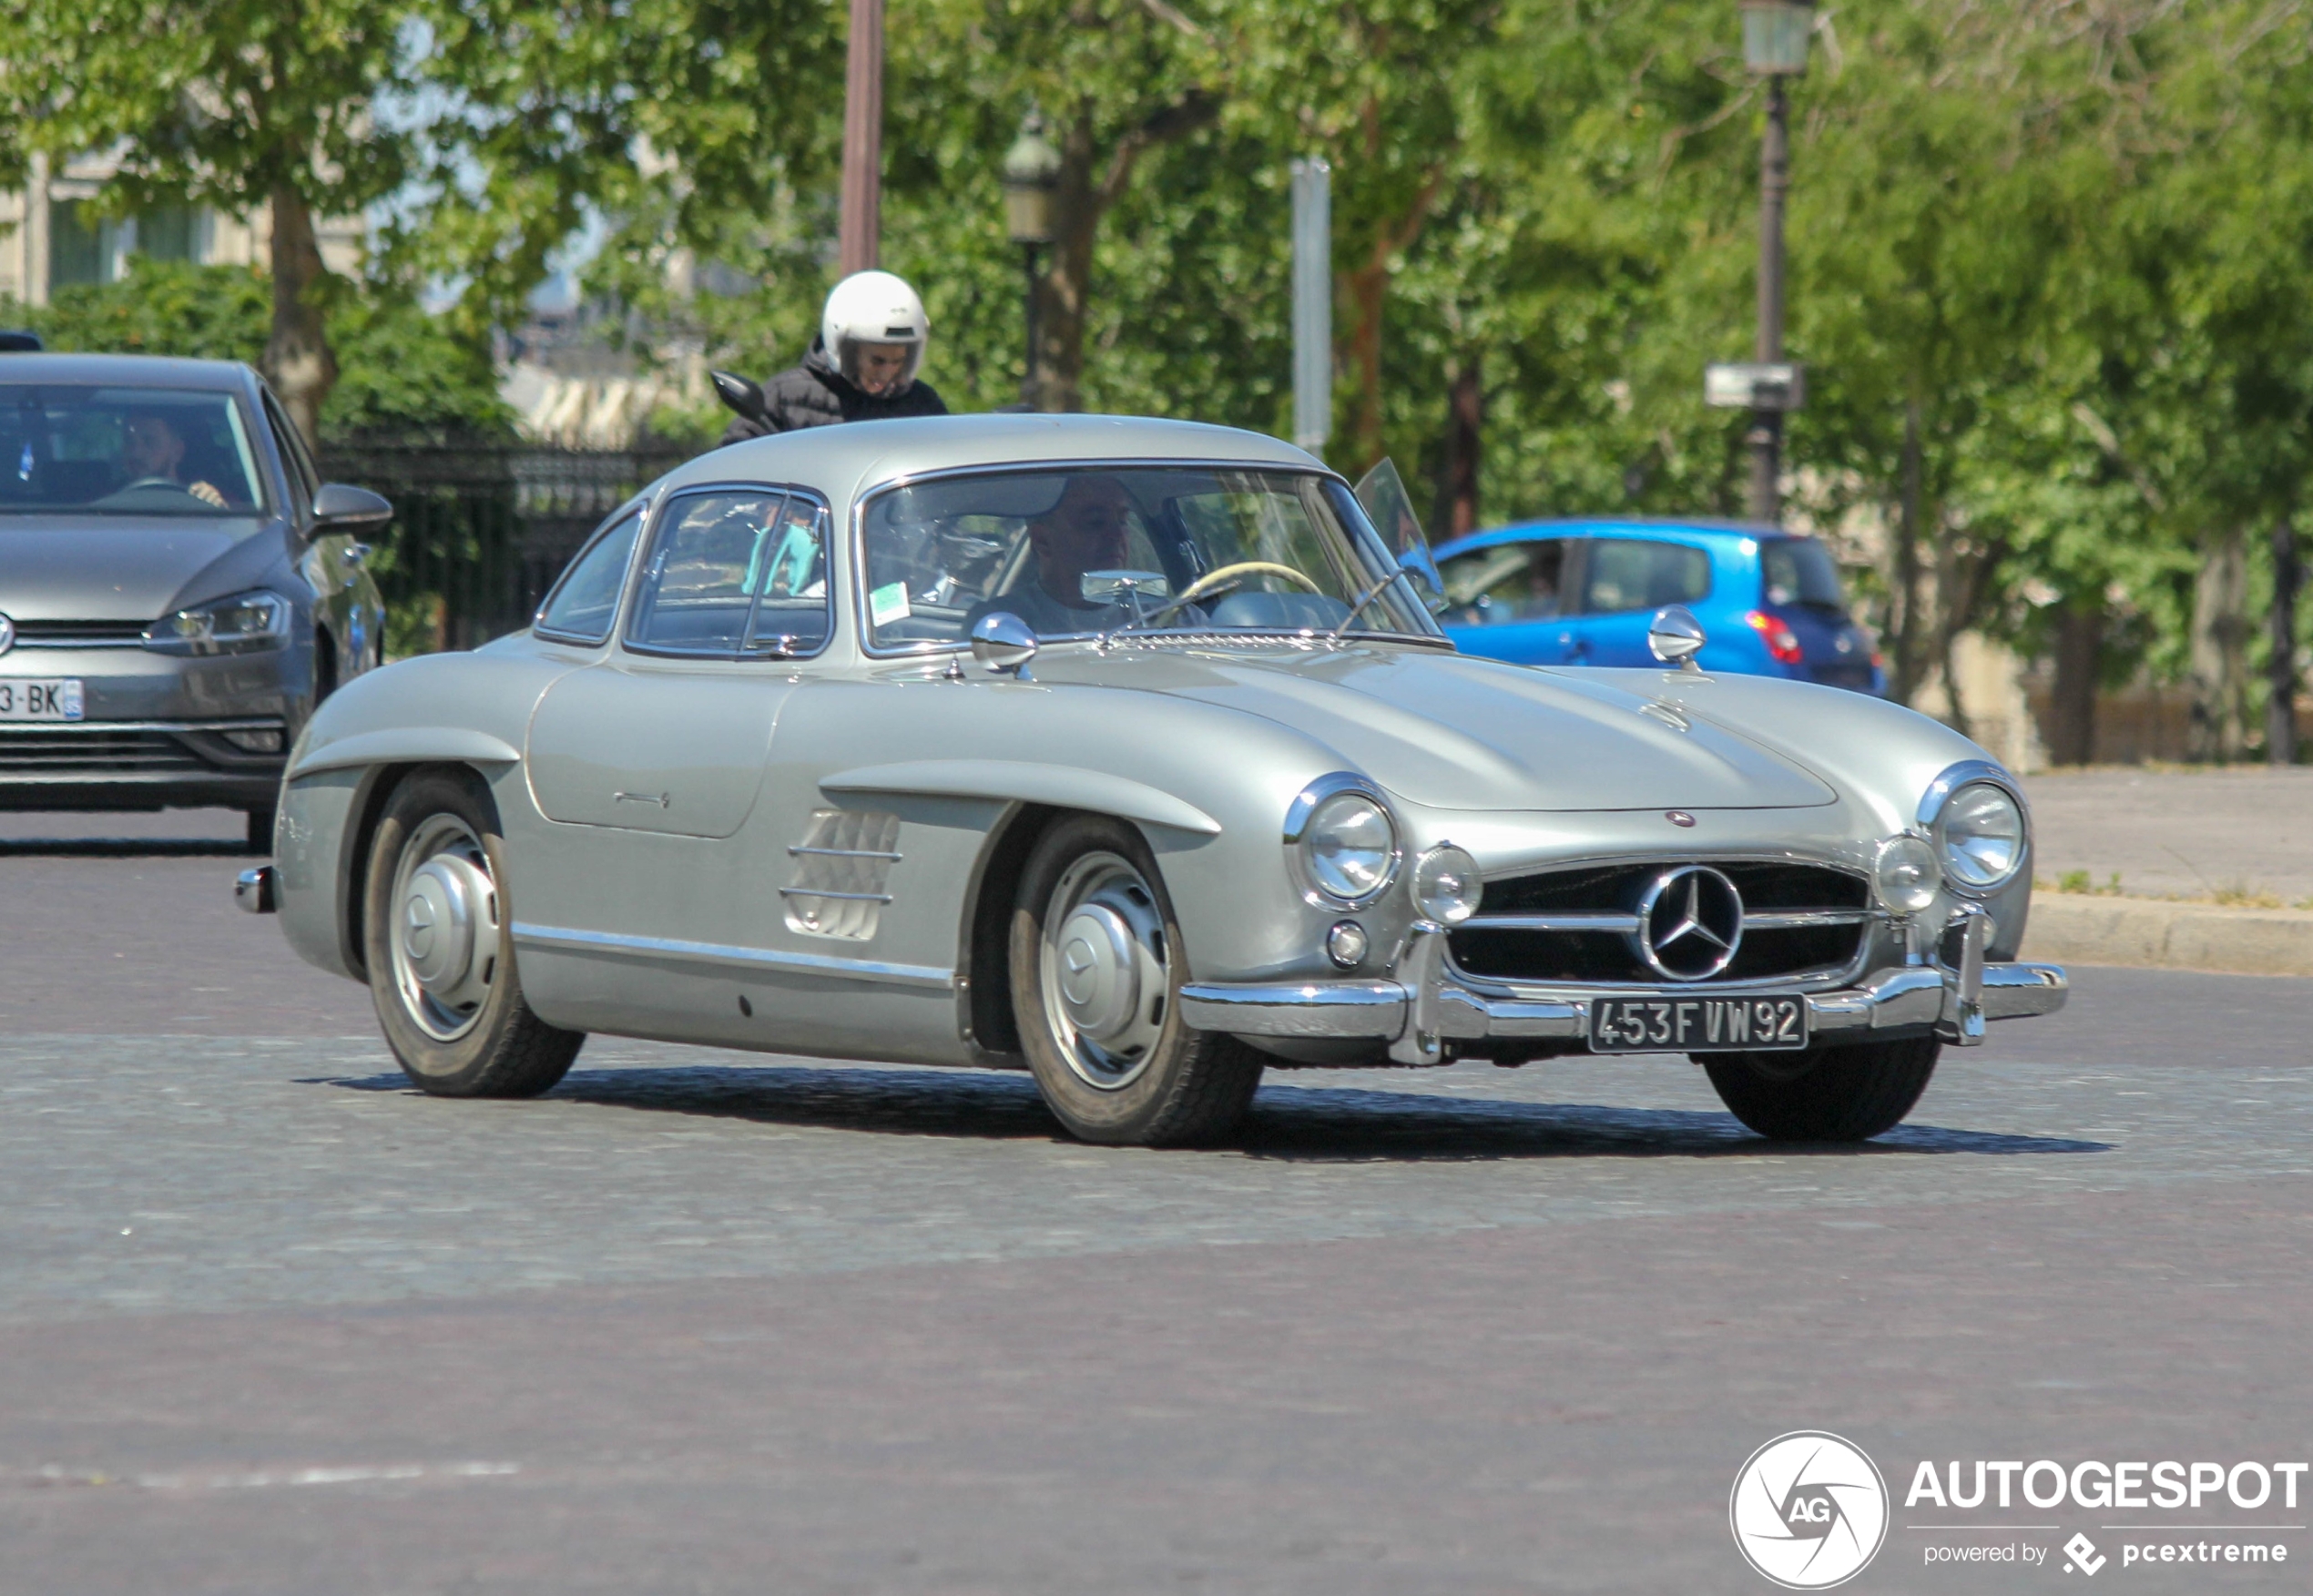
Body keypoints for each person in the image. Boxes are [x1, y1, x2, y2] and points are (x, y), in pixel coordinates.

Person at [719, 270, 949, 444]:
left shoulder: (923, 405)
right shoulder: (785, 398)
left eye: (898, 362)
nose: (887, 373)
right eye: (877, 361)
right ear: (845, 351)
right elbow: (731, 470)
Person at [961, 475, 1178, 638]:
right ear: (1042, 541)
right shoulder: (1000, 625)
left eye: (1122, 521)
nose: (1117, 535)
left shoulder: (1173, 619)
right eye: (1095, 522)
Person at [117, 411, 226, 506]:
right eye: (129, 441)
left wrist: (215, 508)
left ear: (177, 451)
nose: (136, 453)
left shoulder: (201, 499)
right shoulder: (104, 506)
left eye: (149, 442)